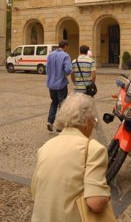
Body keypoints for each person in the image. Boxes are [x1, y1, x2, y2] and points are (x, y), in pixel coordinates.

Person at [31, 93, 111, 222]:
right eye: (94, 120)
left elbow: (35, 191)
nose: (94, 126)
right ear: (86, 122)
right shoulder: (93, 149)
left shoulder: (45, 147)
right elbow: (96, 203)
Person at [46, 39, 72, 132]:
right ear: (65, 46)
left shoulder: (50, 55)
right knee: (62, 103)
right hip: (61, 84)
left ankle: (50, 121)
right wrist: (64, 75)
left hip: (51, 84)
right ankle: (60, 125)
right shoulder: (65, 55)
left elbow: (47, 69)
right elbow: (68, 69)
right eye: (67, 47)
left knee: (54, 102)